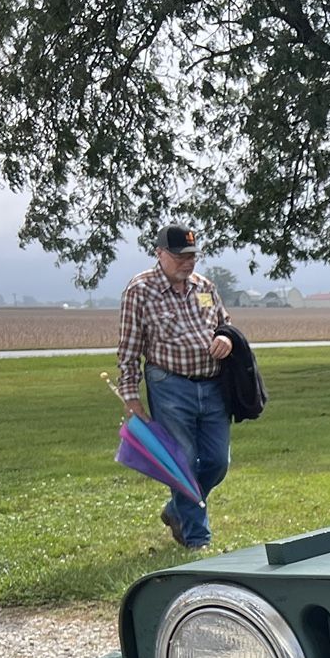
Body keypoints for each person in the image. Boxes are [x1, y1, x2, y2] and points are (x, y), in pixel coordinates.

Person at [115, 223, 234, 550]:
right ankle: (198, 539)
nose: (188, 262)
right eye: (180, 256)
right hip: (169, 386)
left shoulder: (205, 287)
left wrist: (225, 337)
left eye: (193, 256)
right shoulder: (140, 291)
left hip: (212, 386)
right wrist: (131, 398)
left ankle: (176, 509)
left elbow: (225, 323)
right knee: (184, 460)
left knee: (216, 462)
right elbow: (128, 349)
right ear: (159, 254)